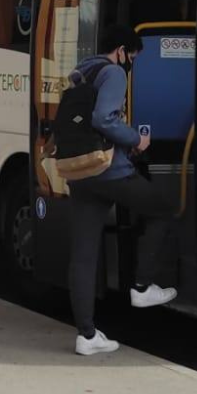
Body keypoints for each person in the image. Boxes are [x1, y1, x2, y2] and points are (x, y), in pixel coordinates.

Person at [66, 27, 179, 356]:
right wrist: (136, 140)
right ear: (121, 51)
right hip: (110, 172)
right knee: (164, 208)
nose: (132, 64)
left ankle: (86, 335)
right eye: (133, 57)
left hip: (81, 172)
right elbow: (104, 118)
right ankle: (141, 286)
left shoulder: (81, 73)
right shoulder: (113, 72)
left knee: (84, 255)